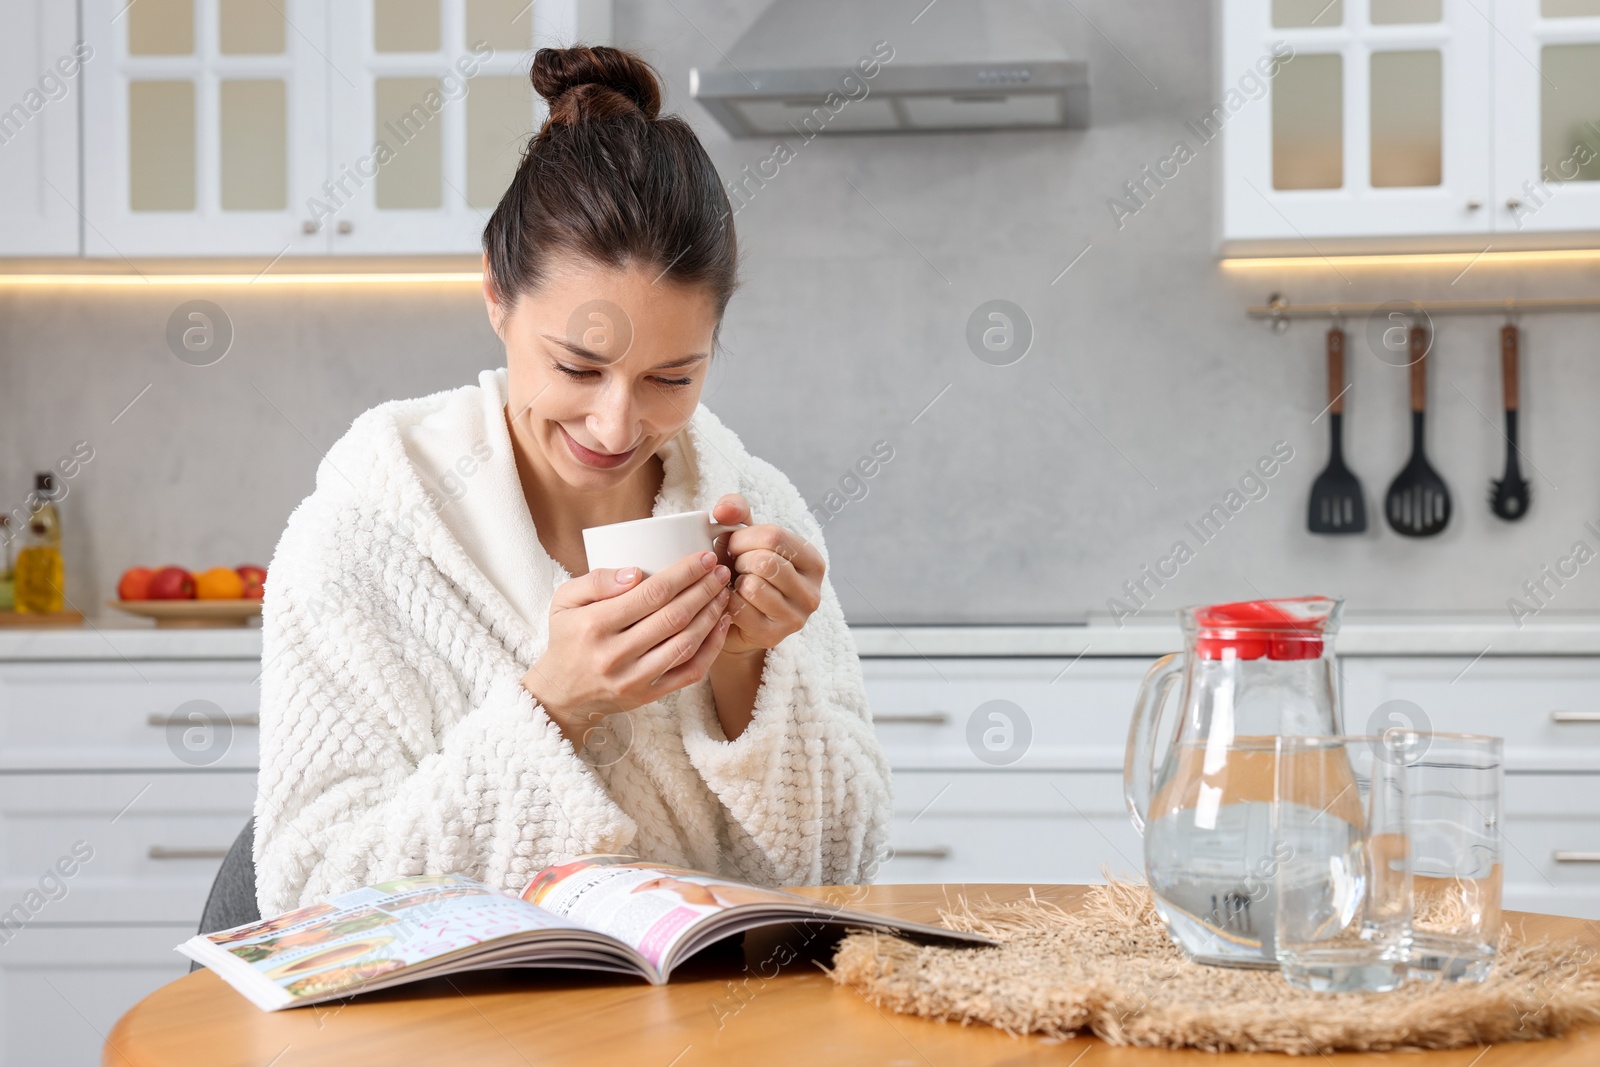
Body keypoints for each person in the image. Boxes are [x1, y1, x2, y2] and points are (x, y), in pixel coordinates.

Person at [252, 45, 892, 917]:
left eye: (673, 377)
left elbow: (845, 867)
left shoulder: (759, 510)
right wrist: (557, 703)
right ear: (495, 294)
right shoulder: (360, 542)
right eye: (578, 367)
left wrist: (749, 668)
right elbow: (310, 896)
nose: (619, 425)